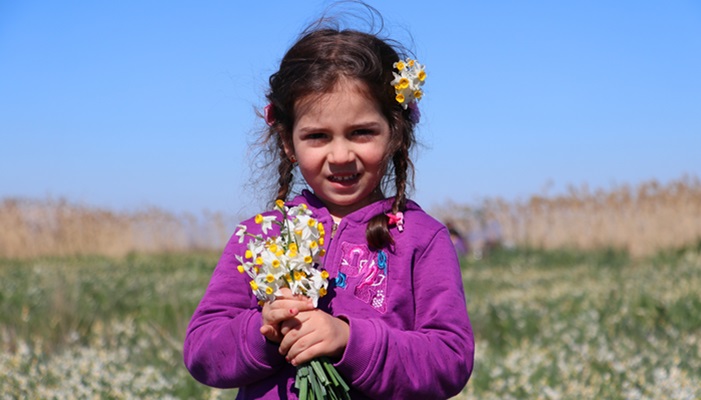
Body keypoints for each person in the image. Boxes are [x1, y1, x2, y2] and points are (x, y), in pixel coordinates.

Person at [183, 6, 474, 399]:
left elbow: (449, 360)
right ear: (288, 142)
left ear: (396, 134)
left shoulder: (422, 238)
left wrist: (349, 341)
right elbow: (202, 350)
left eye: (361, 132)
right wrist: (262, 331)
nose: (340, 155)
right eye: (317, 136)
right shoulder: (258, 236)